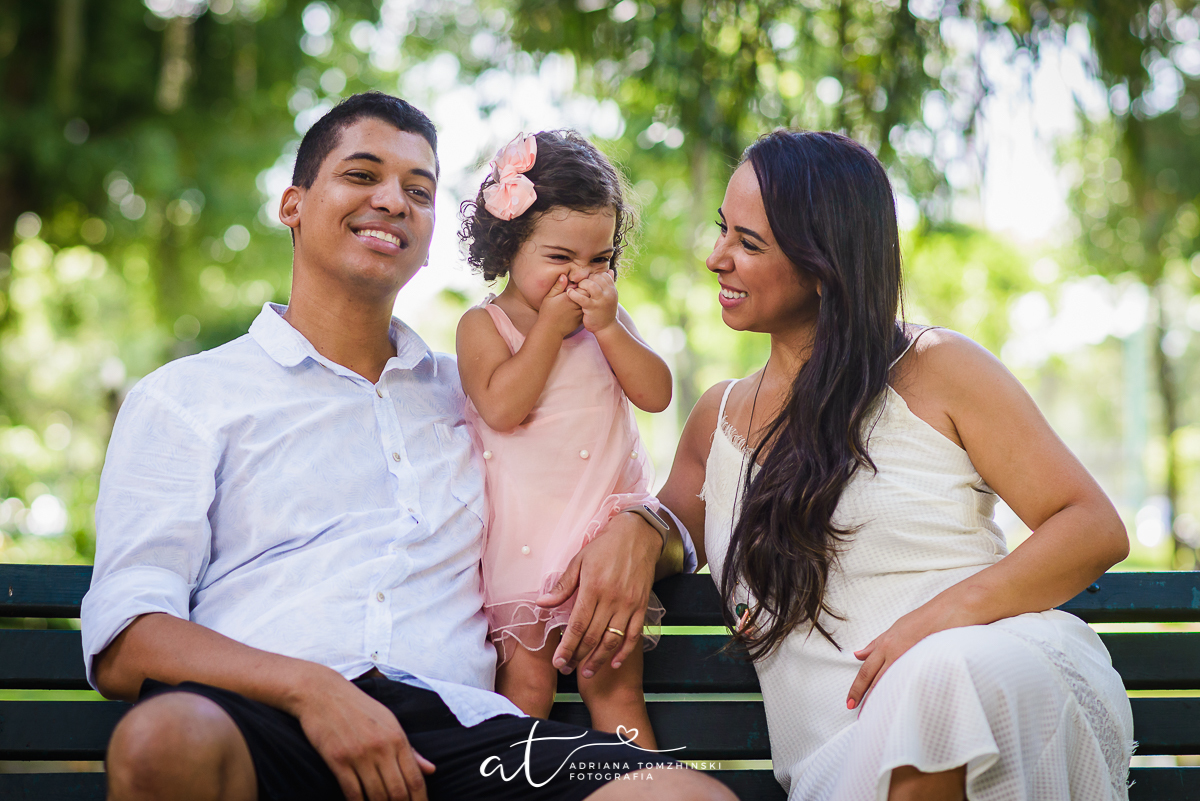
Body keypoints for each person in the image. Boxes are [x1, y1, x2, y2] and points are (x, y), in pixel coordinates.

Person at [80, 92, 732, 801]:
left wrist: (646, 524)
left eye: (417, 190)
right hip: (263, 718)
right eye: (362, 175)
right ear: (293, 205)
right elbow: (125, 638)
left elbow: (596, 480)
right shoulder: (187, 397)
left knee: (682, 797)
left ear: (429, 242)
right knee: (164, 739)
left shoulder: (482, 396)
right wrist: (311, 688)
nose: (392, 200)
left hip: (466, 735)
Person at [655, 130, 1135, 801]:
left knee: (935, 679)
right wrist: (636, 527)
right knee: (926, 692)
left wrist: (934, 621)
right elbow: (666, 526)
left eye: (748, 243)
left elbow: (1092, 526)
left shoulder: (936, 367)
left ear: (822, 264)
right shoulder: (719, 418)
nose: (715, 259)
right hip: (839, 755)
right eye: (722, 231)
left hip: (991, 681)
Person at [456, 130, 672, 747]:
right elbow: (501, 407)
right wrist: (551, 327)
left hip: (603, 544)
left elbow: (655, 394)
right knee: (526, 692)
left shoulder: (607, 321)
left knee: (615, 689)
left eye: (599, 260)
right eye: (560, 259)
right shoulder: (484, 326)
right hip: (524, 547)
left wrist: (608, 329)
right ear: (507, 247)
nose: (581, 277)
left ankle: (645, 791)